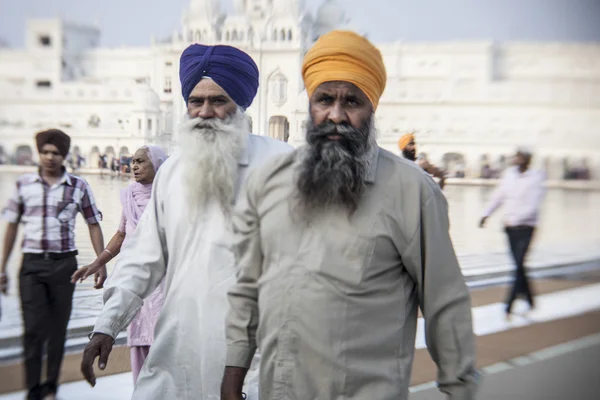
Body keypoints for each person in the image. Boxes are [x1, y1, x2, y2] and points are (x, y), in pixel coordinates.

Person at [221, 30, 478, 400]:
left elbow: (445, 302)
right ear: (310, 105)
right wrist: (233, 375)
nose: (336, 115)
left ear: (371, 108)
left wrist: (460, 388)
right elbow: (246, 286)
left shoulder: (413, 191)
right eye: (324, 99)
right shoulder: (269, 182)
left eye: (352, 102)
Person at [79, 43, 292, 399]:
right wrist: (107, 325)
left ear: (240, 105)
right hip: (181, 344)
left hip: (258, 351)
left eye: (218, 101)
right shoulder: (173, 172)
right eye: (196, 101)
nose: (205, 111)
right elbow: (142, 257)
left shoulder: (282, 164)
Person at [0, 129, 106, 400]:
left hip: (65, 266)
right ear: (39, 153)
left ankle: (51, 387)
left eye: (55, 153)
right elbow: (11, 226)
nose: (49, 157)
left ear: (64, 156)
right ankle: (33, 390)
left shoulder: (78, 186)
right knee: (33, 329)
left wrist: (99, 262)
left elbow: (93, 223)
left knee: (58, 328)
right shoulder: (25, 185)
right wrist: (2, 268)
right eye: (45, 152)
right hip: (32, 266)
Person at [71, 145, 167, 383]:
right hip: (132, 279)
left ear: (158, 164)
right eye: (133, 161)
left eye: (141, 161)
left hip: (162, 280)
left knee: (164, 338)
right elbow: (121, 236)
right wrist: (95, 264)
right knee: (139, 332)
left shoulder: (170, 197)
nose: (134, 166)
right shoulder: (130, 195)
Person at [480, 147, 546, 320]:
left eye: (520, 156)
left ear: (527, 159)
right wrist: (486, 214)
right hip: (510, 229)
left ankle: (508, 305)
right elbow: (499, 196)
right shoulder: (509, 175)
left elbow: (533, 206)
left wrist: (514, 219)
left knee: (518, 265)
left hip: (526, 228)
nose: (516, 159)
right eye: (516, 156)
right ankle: (530, 300)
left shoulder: (536, 178)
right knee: (519, 266)